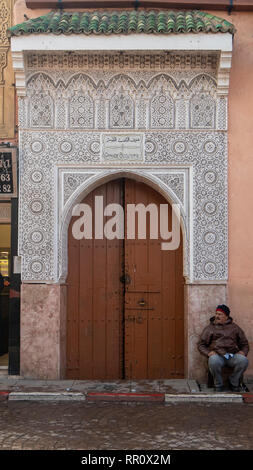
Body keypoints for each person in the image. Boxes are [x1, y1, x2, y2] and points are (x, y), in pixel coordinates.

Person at [197, 304, 249, 392]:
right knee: (213, 361)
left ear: (226, 316)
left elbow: (244, 344)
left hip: (232, 355)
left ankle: (234, 382)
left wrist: (243, 352)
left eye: (220, 314)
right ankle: (218, 384)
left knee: (243, 360)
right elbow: (201, 345)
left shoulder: (235, 328)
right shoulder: (210, 328)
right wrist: (209, 353)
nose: (217, 316)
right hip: (217, 355)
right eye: (216, 313)